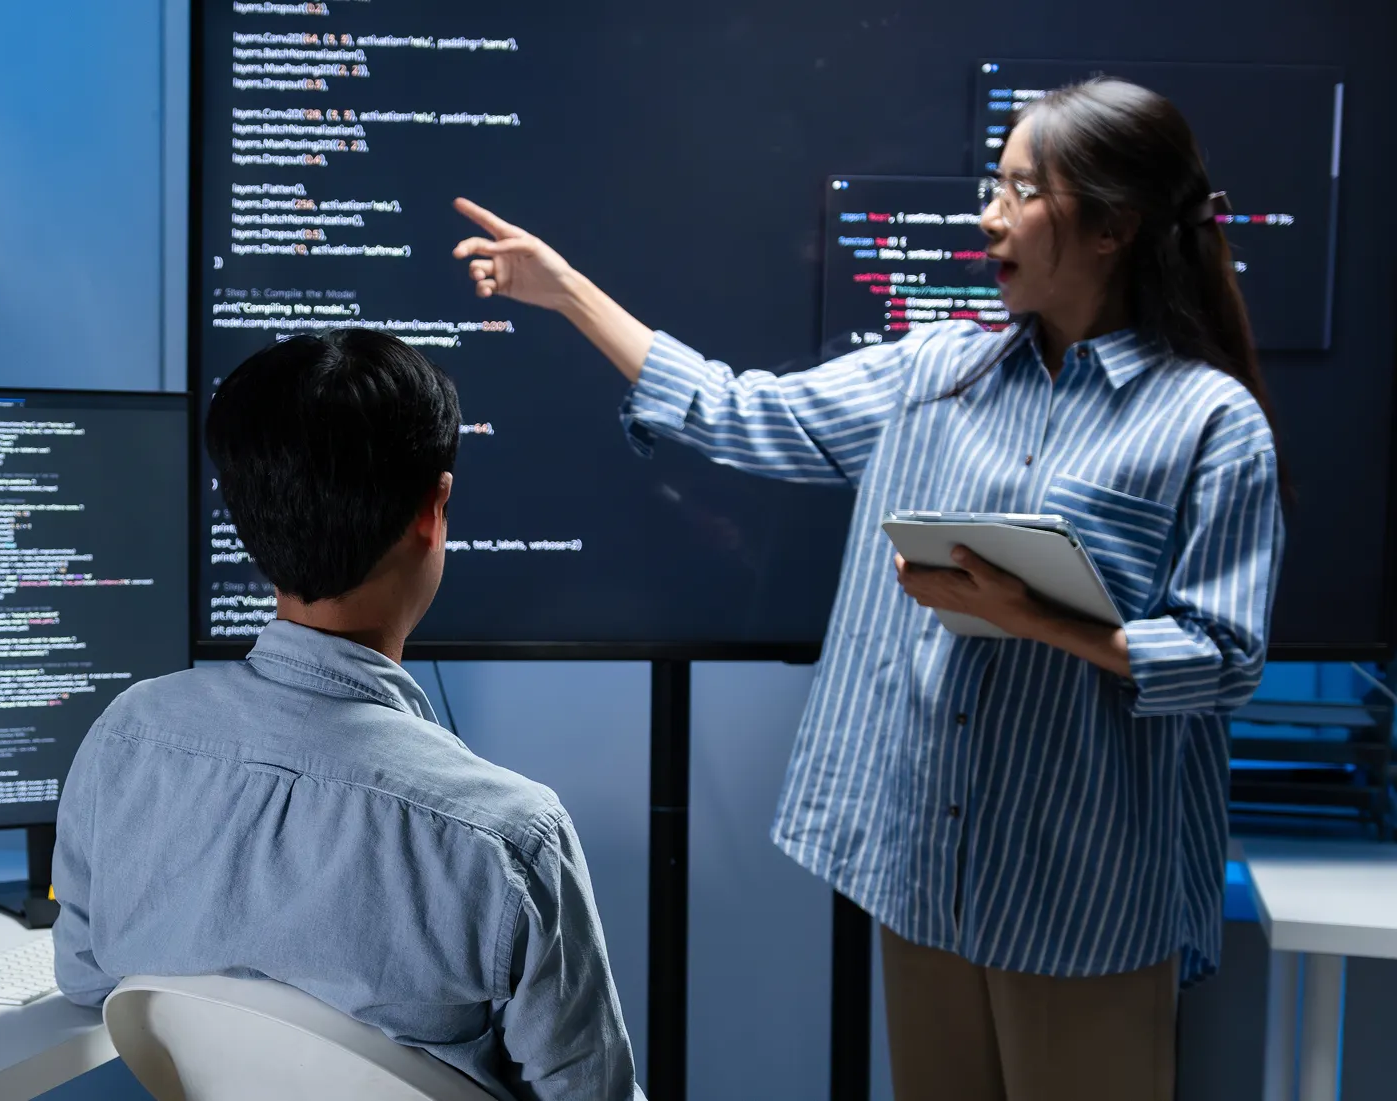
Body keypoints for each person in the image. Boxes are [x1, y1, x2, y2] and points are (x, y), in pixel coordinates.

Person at [454, 78, 1280, 1101]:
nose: (990, 214)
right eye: (997, 184)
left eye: (1023, 189)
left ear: (1112, 225)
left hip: (1086, 896)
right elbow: (729, 410)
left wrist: (1043, 621)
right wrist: (566, 288)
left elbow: (1224, 659)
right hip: (924, 874)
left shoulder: (1208, 421)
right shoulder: (937, 367)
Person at [52, 328, 645, 1100]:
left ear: (246, 515)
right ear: (433, 511)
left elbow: (84, 978)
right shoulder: (511, 836)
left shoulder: (125, 740)